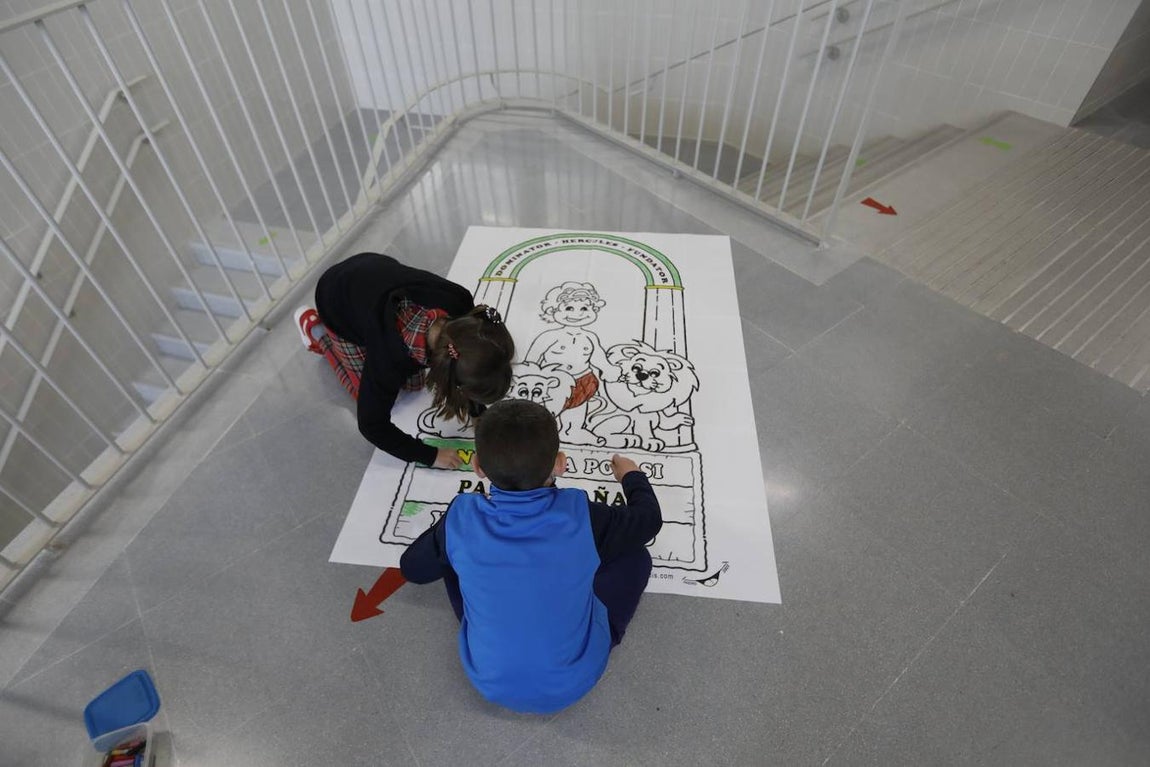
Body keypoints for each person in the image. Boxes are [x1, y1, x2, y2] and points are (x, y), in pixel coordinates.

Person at [399, 399, 662, 714]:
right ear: (561, 463)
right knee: (637, 557)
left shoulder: (462, 518)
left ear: (478, 467)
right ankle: (601, 636)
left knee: (451, 554)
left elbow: (413, 568)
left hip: (488, 679)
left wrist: (450, 537)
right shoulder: (582, 515)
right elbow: (649, 520)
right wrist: (631, 477)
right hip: (574, 679)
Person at [294, 253, 514, 469]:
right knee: (368, 393)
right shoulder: (387, 358)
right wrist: (428, 455)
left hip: (373, 267)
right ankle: (317, 331)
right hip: (337, 302)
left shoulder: (460, 303)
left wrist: (477, 411)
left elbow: (470, 357)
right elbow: (371, 425)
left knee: (414, 385)